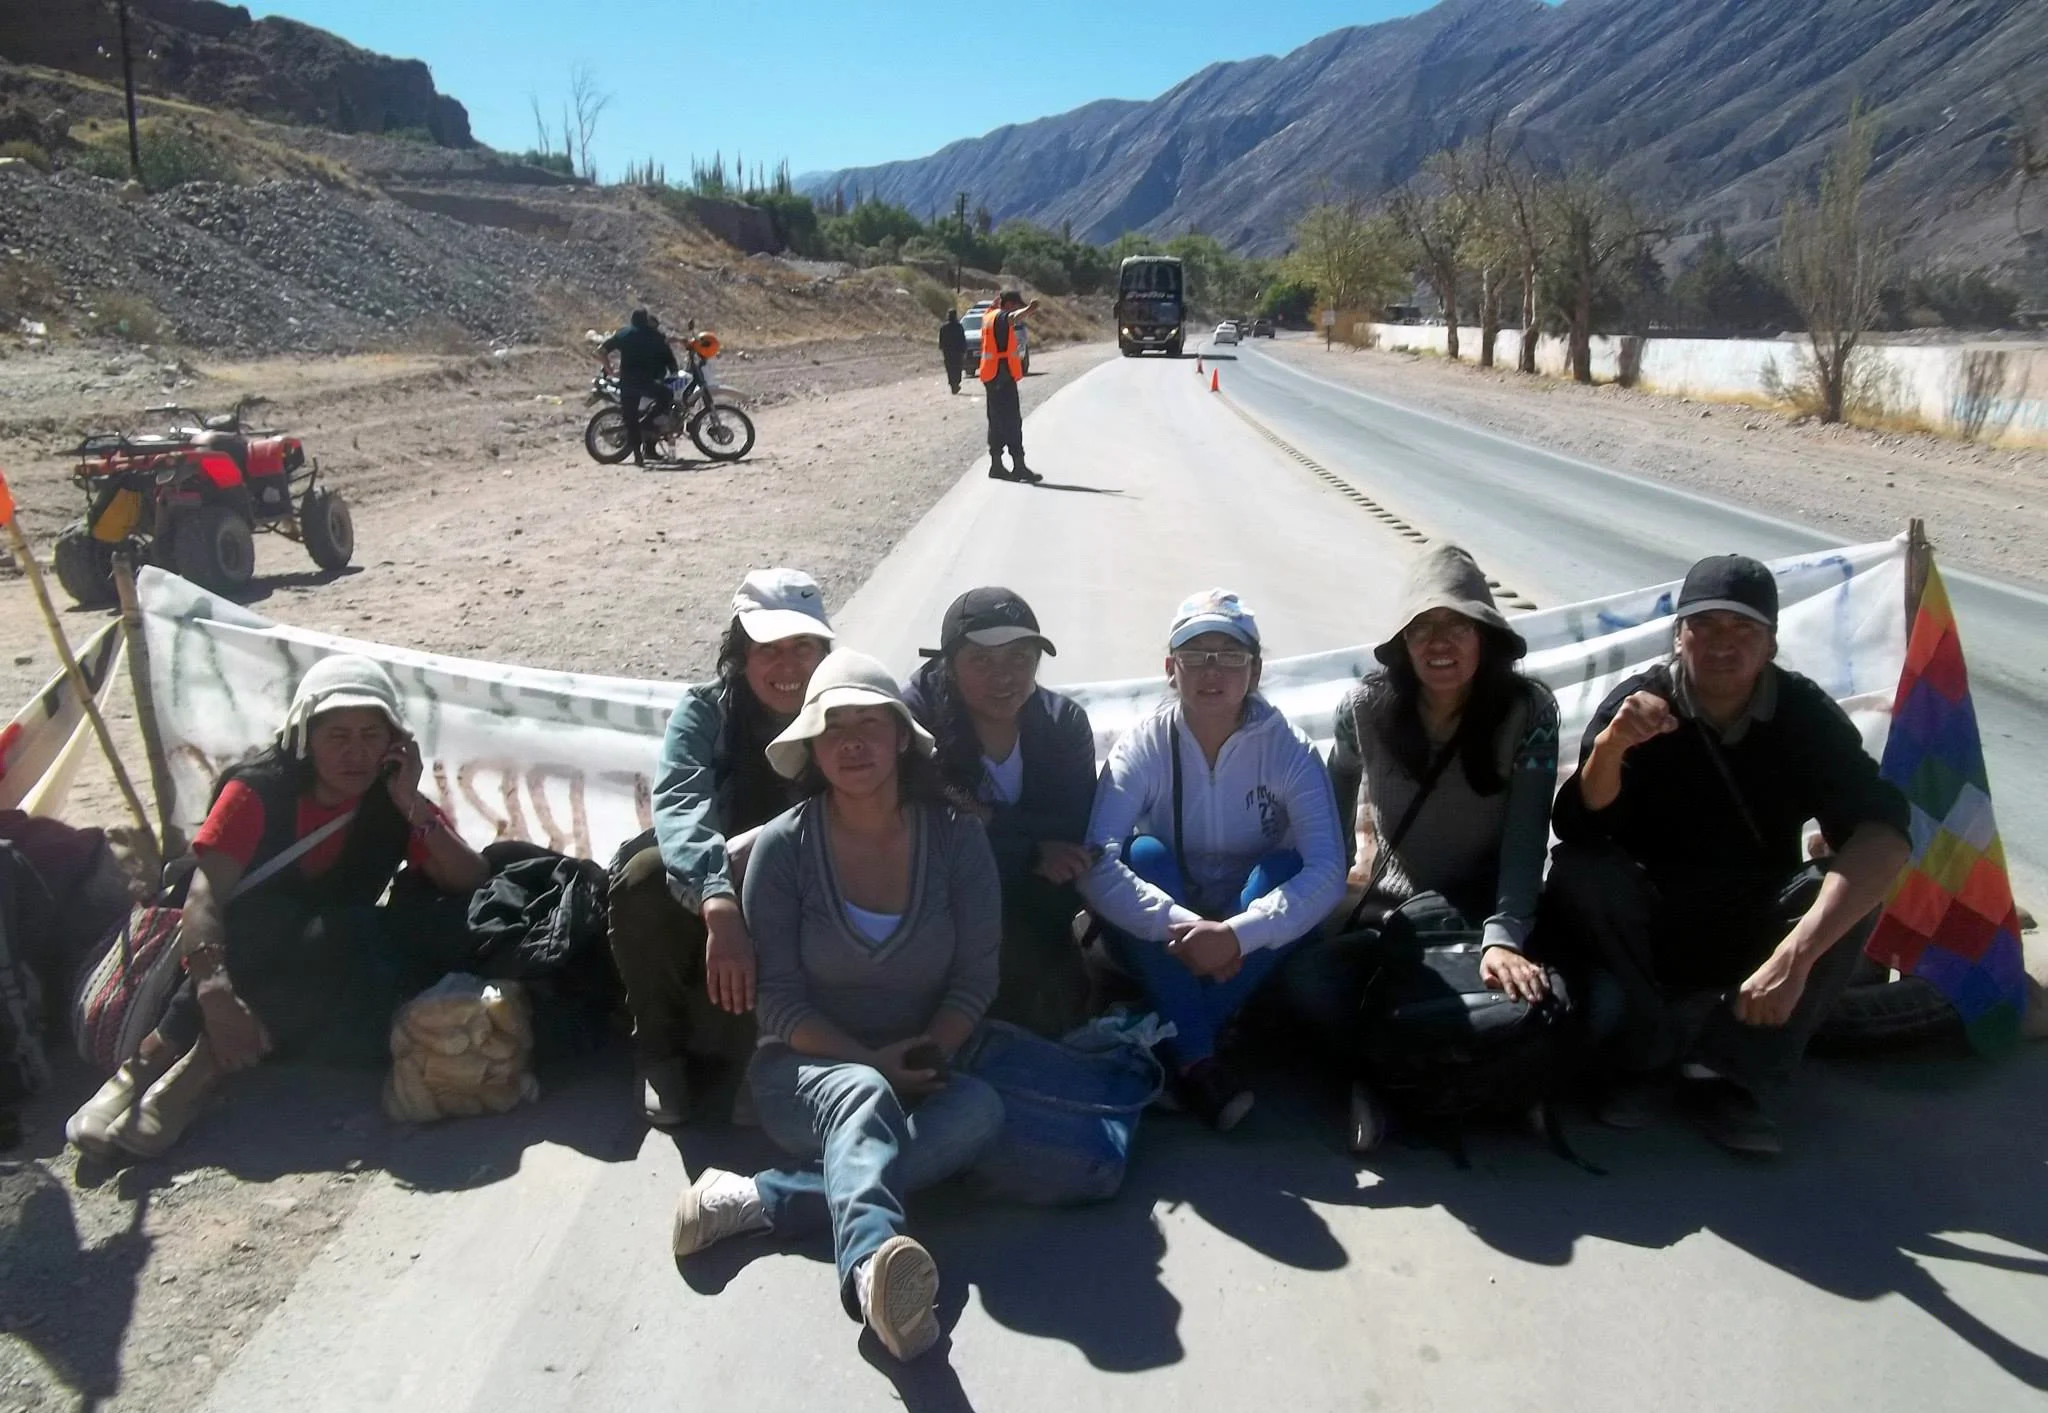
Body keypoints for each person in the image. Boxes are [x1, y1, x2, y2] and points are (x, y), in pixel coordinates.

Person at [671, 650, 1003, 1364]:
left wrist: (929, 1051)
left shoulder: (957, 838)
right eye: (833, 727)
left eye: (869, 724)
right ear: (813, 748)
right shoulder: (785, 847)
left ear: (900, 737)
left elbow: (977, 975)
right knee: (861, 1092)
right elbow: (778, 1000)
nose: (852, 742)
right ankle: (871, 1271)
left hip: (924, 1061)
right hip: (804, 1073)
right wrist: (873, 1062)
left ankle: (765, 1199)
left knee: (983, 1111)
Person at [1547, 553, 1912, 1156]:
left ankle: (1728, 1075)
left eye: (1743, 630)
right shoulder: (1640, 703)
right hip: (1648, 919)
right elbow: (1579, 826)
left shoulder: (1801, 713)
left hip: (1752, 913)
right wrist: (1614, 745)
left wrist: (1795, 958)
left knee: (1850, 893)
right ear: (1679, 637)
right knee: (1581, 875)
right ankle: (1649, 1052)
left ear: (1770, 644)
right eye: (1706, 627)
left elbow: (1884, 834)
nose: (1724, 645)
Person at [65, 656, 489, 1161]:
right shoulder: (258, 789)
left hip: (327, 955)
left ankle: (196, 1071)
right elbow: (205, 896)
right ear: (304, 737)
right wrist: (215, 993)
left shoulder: (391, 802)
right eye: (338, 736)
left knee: (346, 929)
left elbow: (470, 876)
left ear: (394, 743)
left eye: (371, 736)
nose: (355, 753)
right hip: (230, 952)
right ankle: (148, 1064)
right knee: (264, 922)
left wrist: (413, 805)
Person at [1282, 545, 1560, 1151]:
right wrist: (1314, 897)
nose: (1440, 642)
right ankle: (1384, 1078)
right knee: (1302, 984)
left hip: (1483, 907)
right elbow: (1328, 805)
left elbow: (1527, 833)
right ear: (1402, 643)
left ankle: (1505, 1076)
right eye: (1422, 627)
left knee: (1568, 997)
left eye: (1458, 625)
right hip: (1392, 907)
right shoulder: (1365, 707)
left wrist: (1506, 935)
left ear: (1486, 636)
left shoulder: (1530, 710)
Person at [1078, 590, 1345, 1130]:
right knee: (1142, 853)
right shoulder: (1143, 746)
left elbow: (1327, 870)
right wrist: (1187, 926)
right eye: (1195, 655)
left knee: (1286, 871)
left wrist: (1239, 933)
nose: (1211, 670)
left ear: (1256, 668)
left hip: (1249, 923)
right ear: (1170, 669)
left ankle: (1165, 1042)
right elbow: (1097, 859)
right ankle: (1199, 1055)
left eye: (1230, 655)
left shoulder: (1290, 751)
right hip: (1169, 926)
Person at [609, 568, 836, 1127]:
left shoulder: (844, 707)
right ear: (740, 654)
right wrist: (718, 900)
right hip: (720, 887)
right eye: (769, 650)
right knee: (642, 877)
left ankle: (773, 1059)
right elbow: (681, 806)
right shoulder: (707, 710)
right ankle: (659, 1054)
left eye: (802, 648)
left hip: (810, 886)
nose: (788, 668)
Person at [902, 587, 1097, 1036]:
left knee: (1052, 893)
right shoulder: (914, 718)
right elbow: (930, 818)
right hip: (947, 886)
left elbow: (1069, 828)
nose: (1004, 677)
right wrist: (1028, 846)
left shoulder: (1063, 722)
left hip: (1030, 889)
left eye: (1020, 658)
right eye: (982, 661)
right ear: (947, 664)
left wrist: (989, 823)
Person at [598, 308, 678, 467]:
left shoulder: (624, 334)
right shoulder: (654, 335)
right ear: (646, 320)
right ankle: (647, 423)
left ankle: (638, 457)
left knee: (630, 418)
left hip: (627, 383)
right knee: (666, 396)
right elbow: (668, 351)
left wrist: (609, 369)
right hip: (646, 382)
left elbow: (601, 350)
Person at [980, 290, 1041, 484]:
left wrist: (996, 302)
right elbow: (1013, 317)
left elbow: (998, 310)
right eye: (1016, 304)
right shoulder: (1002, 317)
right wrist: (1030, 309)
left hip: (991, 377)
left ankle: (996, 465)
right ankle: (1019, 466)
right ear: (1009, 305)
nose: (1017, 308)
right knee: (1012, 422)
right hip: (1002, 378)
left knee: (996, 421)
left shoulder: (988, 316)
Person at [938, 309, 967, 395]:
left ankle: (953, 384)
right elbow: (963, 339)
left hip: (948, 353)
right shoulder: (958, 327)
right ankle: (956, 384)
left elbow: (941, 341)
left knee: (950, 369)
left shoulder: (944, 327)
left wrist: (942, 349)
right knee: (957, 368)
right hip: (957, 353)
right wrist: (964, 350)